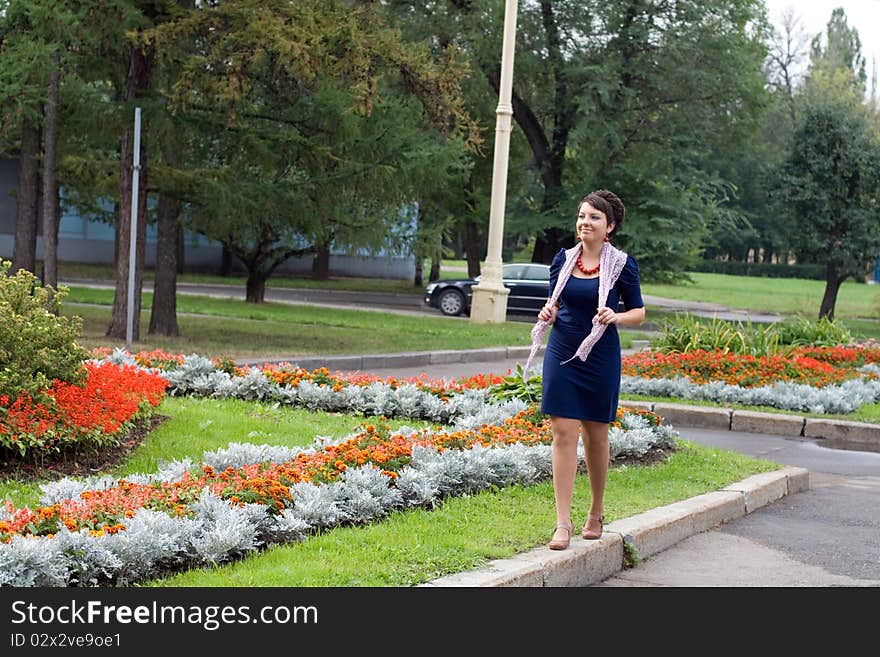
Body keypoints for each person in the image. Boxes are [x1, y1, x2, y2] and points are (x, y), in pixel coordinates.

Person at [524, 189, 645, 550]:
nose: (585, 223)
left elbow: (639, 311)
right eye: (581, 216)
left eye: (593, 217)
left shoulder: (622, 264)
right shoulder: (562, 259)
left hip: (600, 355)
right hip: (562, 351)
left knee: (596, 435)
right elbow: (555, 302)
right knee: (562, 432)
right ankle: (562, 522)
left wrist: (616, 315)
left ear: (609, 226)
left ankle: (596, 511)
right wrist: (548, 312)